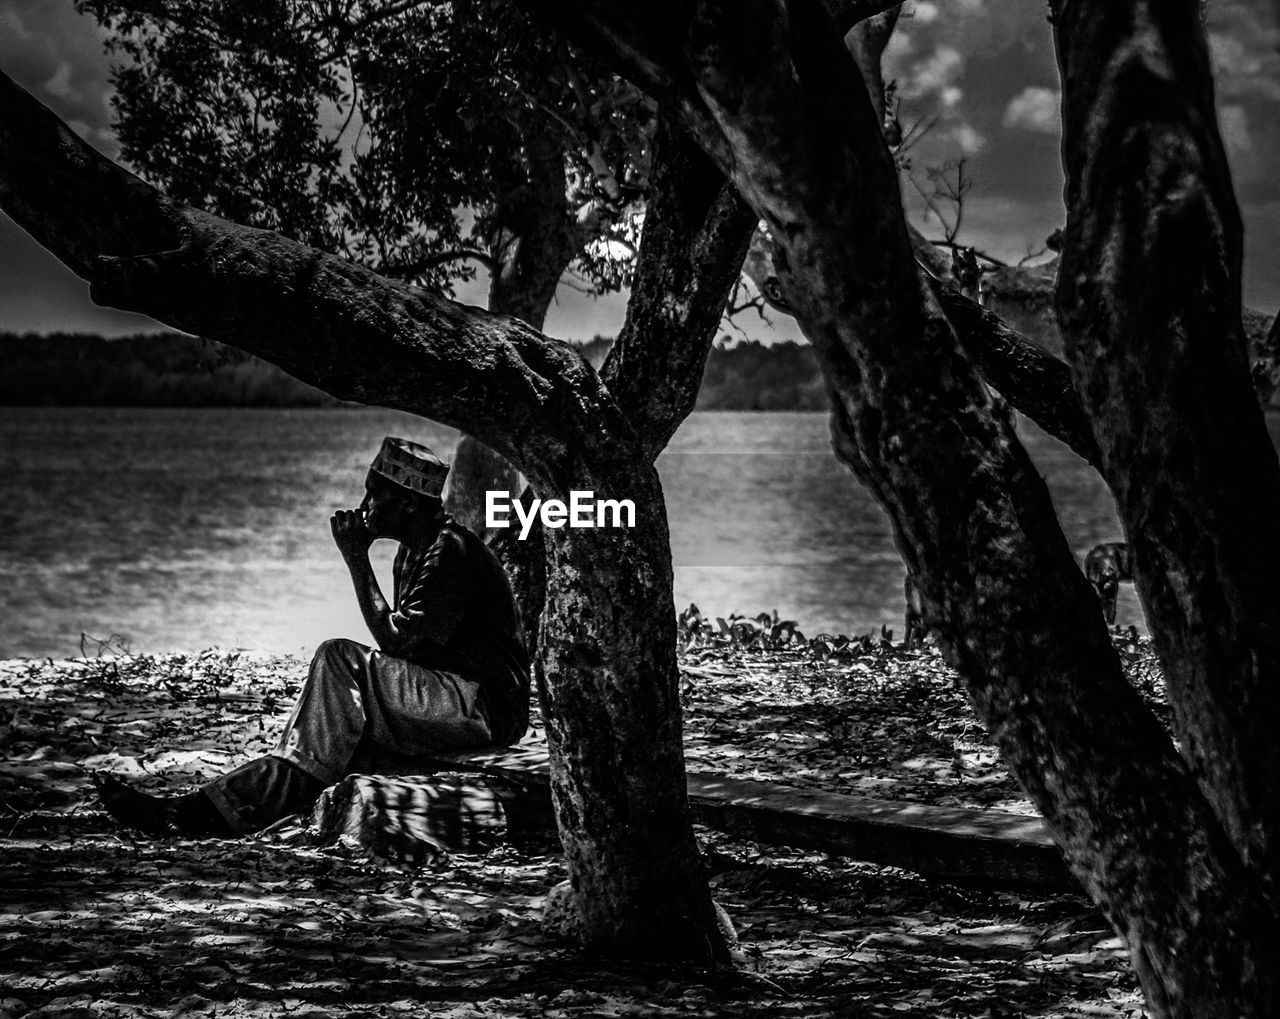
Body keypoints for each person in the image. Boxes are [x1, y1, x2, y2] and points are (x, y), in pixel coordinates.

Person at [95, 436, 532, 837]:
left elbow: (397, 643)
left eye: (377, 495)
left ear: (411, 505)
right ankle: (191, 814)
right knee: (328, 751)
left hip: (482, 708)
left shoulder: (450, 553)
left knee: (337, 657)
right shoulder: (413, 553)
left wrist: (357, 561)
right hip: (448, 699)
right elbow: (405, 653)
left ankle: (201, 810)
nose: (366, 505)